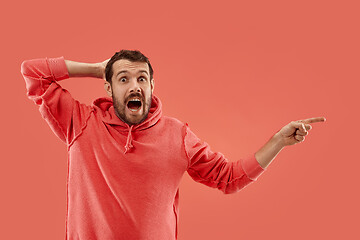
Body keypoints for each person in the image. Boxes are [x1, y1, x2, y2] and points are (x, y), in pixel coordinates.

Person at [21, 49, 326, 240]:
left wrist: (277, 142)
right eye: (123, 79)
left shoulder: (177, 135)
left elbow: (230, 178)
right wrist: (96, 68)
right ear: (108, 87)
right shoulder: (81, 122)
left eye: (142, 78)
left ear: (152, 87)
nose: (134, 85)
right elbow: (33, 72)